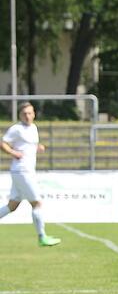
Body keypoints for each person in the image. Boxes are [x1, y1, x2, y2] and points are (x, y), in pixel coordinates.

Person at [0, 102, 61, 247]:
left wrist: (37, 147)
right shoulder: (16, 129)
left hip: (24, 171)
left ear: (34, 114)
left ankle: (42, 236)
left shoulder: (33, 128)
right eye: (24, 114)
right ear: (20, 115)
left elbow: (29, 145)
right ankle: (42, 237)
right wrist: (13, 152)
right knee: (37, 203)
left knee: (12, 206)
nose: (27, 116)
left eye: (30, 113)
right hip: (22, 171)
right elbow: (3, 143)